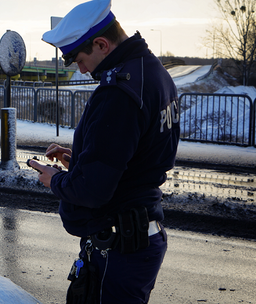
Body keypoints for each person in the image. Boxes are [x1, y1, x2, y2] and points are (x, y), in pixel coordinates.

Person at [29, 0, 180, 303]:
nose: (81, 68)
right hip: (139, 235)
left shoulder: (118, 92)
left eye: (78, 59)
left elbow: (94, 191)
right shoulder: (152, 72)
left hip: (119, 247)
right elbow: (135, 157)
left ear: (101, 44)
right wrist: (81, 157)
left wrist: (54, 180)